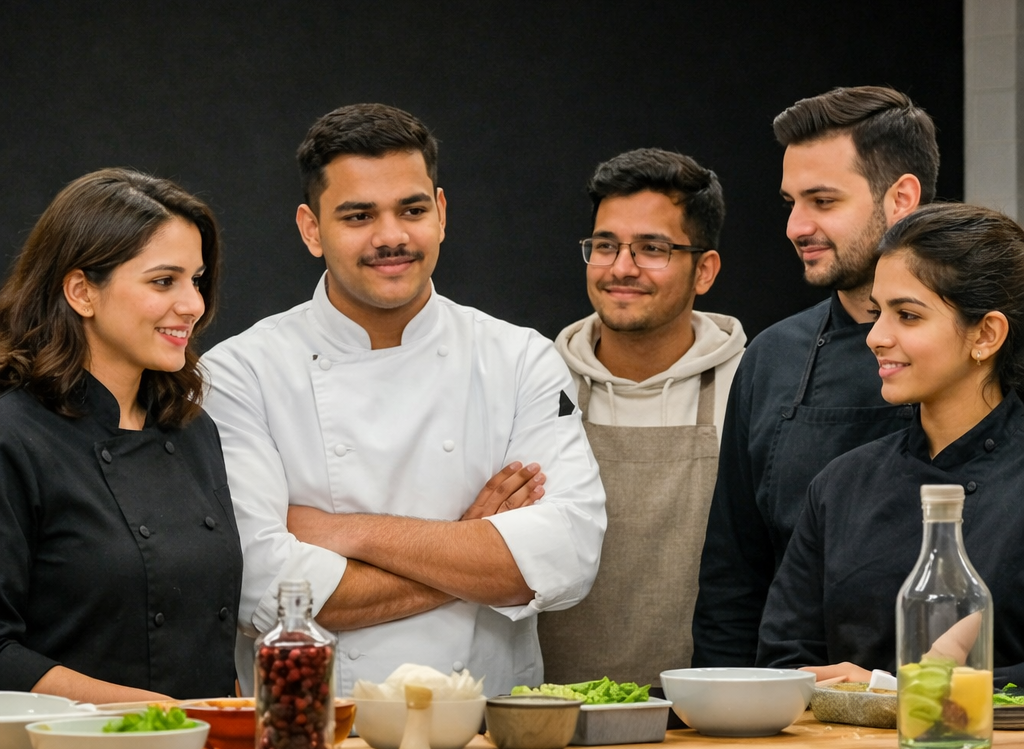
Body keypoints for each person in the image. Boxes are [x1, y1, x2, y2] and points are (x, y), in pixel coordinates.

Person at [202, 103, 606, 697]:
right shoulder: (240, 373)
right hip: (315, 736)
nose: (390, 236)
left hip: (485, 733)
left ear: (441, 214)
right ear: (311, 229)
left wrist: (351, 532)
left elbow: (568, 557)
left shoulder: (519, 358)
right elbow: (262, 586)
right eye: (358, 215)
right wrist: (474, 544)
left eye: (412, 210)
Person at [692, 86, 939, 667]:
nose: (795, 227)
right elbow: (734, 575)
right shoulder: (773, 357)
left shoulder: (1002, 358)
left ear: (901, 196)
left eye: (823, 201)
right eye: (791, 203)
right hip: (800, 717)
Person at [0, 169, 242, 702]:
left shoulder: (195, 431)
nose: (193, 305)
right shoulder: (13, 435)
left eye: (196, 280)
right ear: (82, 291)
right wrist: (152, 715)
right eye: (164, 281)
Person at [757, 203, 1024, 686]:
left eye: (908, 315)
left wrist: (897, 690)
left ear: (986, 334)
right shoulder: (840, 486)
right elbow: (782, 659)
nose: (877, 337)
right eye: (878, 313)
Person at [538, 148, 745, 687]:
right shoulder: (535, 383)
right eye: (605, 246)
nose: (621, 268)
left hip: (702, 714)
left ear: (705, 270)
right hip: (545, 710)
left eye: (652, 248)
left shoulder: (750, 387)